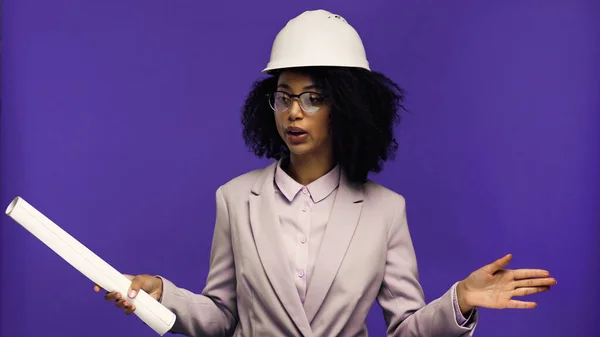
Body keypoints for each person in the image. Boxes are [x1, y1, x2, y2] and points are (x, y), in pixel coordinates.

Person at [94, 9, 556, 337]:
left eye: (314, 98)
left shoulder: (385, 210)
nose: (294, 113)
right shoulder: (235, 198)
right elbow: (221, 319)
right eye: (284, 96)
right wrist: (163, 294)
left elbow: (405, 329)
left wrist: (460, 300)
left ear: (346, 107)